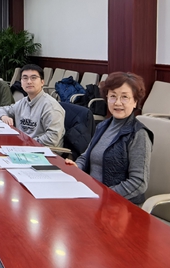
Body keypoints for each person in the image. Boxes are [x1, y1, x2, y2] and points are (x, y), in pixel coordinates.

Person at [65, 72, 153, 204]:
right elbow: (86, 156)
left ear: (135, 102)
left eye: (124, 97)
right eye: (113, 96)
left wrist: (103, 194)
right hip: (92, 196)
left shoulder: (138, 134)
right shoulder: (103, 125)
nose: (117, 102)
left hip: (120, 205)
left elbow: (138, 183)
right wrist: (77, 166)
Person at [0, 64, 65, 148]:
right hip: (23, 147)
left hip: (44, 150)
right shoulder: (23, 102)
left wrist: (26, 142)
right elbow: (0, 110)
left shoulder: (51, 107)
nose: (29, 81)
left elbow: (52, 139)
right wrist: (3, 116)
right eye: (25, 78)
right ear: (21, 82)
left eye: (33, 78)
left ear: (42, 82)